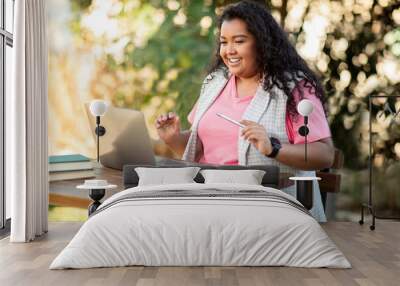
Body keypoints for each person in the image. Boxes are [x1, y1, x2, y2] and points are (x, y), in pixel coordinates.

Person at [155, 0, 334, 222]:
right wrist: (173, 138)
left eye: (239, 41)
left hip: (274, 212)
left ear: (262, 43)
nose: (229, 51)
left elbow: (324, 154)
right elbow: (203, 148)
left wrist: (274, 148)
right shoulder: (215, 83)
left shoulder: (294, 90)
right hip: (211, 204)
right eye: (223, 42)